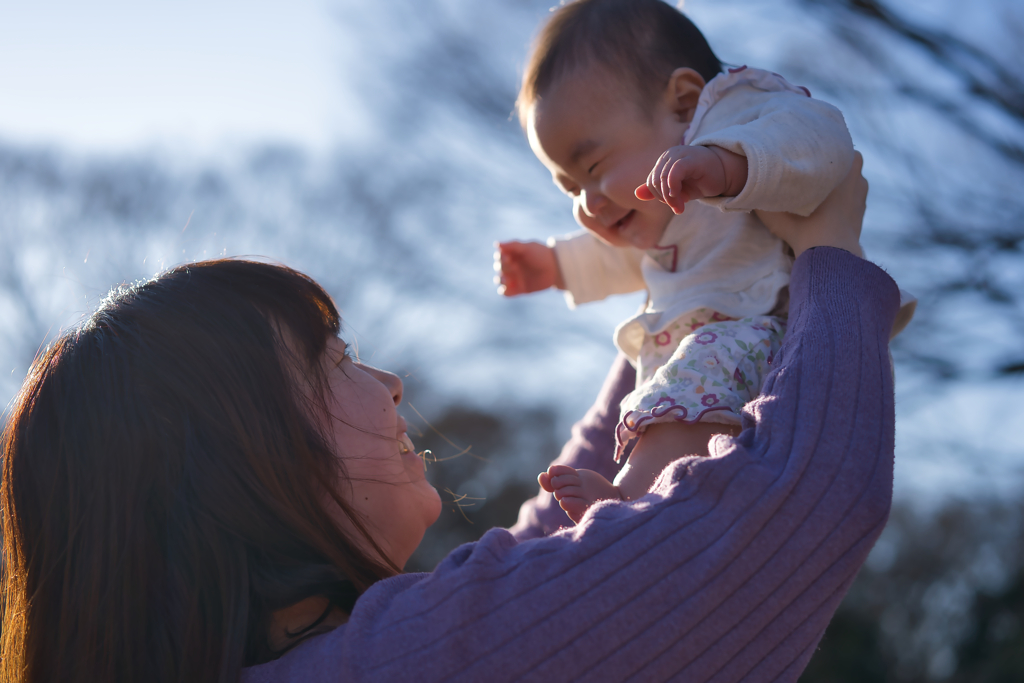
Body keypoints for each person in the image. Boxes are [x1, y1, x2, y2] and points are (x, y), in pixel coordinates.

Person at [1, 157, 897, 682]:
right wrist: (830, 254)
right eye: (336, 359)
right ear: (240, 459)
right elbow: (796, 507)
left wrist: (678, 310)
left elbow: (554, 566)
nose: (390, 382)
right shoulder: (403, 662)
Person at [496, 0, 914, 521]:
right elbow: (629, 258)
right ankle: (657, 498)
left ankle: (630, 501)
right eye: (570, 188)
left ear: (684, 102)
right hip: (720, 363)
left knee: (699, 365)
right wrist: (557, 265)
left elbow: (824, 142)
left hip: (782, 333)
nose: (588, 202)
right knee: (680, 390)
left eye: (594, 166)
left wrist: (729, 163)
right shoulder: (663, 220)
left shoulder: (740, 112)